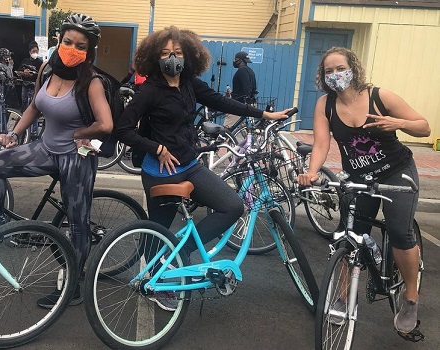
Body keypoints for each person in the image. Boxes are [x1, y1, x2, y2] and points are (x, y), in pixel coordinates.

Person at [113, 26, 290, 311]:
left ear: (188, 55)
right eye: (166, 53)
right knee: (159, 228)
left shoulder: (189, 83)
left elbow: (221, 101)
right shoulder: (149, 92)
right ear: (155, 58)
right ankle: (155, 279)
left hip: (190, 165)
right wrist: (156, 148)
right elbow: (122, 129)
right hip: (160, 170)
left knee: (232, 206)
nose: (173, 58)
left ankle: (176, 256)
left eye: (178, 53)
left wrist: (264, 113)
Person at [297, 47, 429, 337]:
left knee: (399, 231)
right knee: (349, 236)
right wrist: (313, 171)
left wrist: (400, 124)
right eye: (328, 71)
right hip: (360, 179)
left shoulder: (381, 96)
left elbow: (425, 127)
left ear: (353, 68)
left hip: (396, 172)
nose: (335, 75)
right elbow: (321, 144)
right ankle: (343, 298)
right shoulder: (326, 105)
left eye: (340, 68)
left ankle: (410, 298)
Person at [0, 13, 111, 309]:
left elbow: (105, 124)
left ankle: (74, 286)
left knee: (77, 224)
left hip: (75, 158)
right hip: (44, 149)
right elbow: (33, 108)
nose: (72, 49)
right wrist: (13, 135)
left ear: (89, 51)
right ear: (59, 41)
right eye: (68, 42)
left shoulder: (91, 82)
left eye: (80, 46)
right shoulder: (46, 70)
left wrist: (81, 132)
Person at [15, 40, 43, 109]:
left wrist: (32, 75)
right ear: (29, 52)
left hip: (34, 86)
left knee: (33, 105)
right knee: (24, 103)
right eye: (33, 51)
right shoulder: (25, 61)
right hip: (25, 85)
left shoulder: (40, 62)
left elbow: (41, 75)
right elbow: (18, 72)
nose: (35, 53)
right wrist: (24, 72)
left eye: (36, 51)